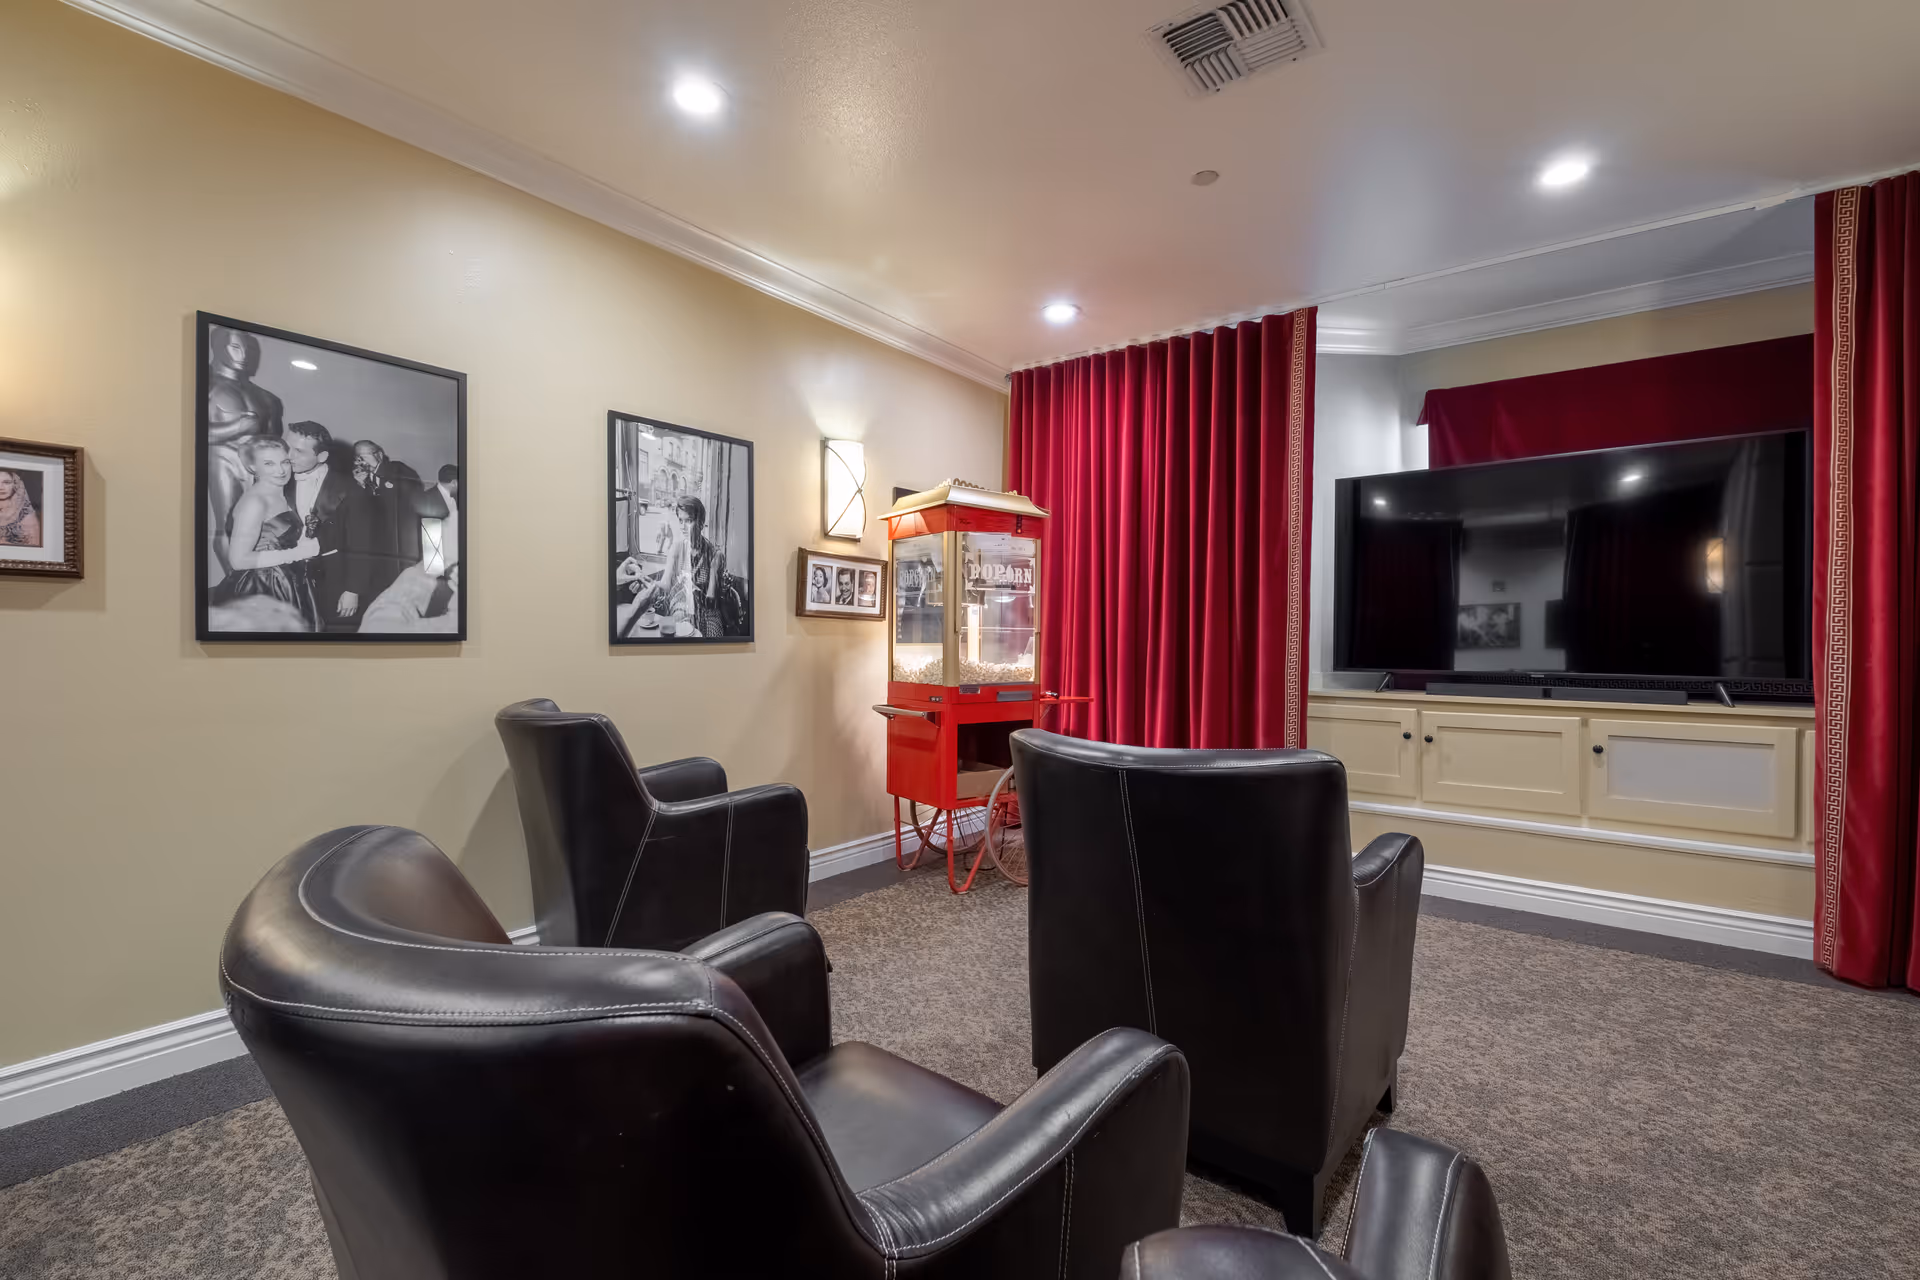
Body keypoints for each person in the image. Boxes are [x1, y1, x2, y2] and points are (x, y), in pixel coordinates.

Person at [208, 436, 319, 630]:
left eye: (284, 462)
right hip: (264, 586)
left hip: (285, 578)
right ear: (252, 467)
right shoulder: (255, 502)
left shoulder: (278, 492)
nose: (281, 470)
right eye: (269, 464)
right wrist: (296, 554)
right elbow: (238, 561)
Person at [205, 327, 284, 579]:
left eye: (246, 349)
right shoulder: (204, 385)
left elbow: (274, 442)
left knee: (262, 525)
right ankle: (234, 582)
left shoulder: (265, 398)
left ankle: (252, 582)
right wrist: (235, 426)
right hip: (224, 458)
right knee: (229, 523)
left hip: (259, 467)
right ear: (218, 347)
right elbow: (191, 433)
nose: (243, 355)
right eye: (235, 347)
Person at [283, 420, 374, 633]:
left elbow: (362, 544)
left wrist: (353, 590)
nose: (289, 456)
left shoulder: (350, 490)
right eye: (287, 447)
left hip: (334, 578)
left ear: (321, 457)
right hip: (289, 579)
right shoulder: (278, 480)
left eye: (298, 451)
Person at [350, 439, 425, 603]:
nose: (359, 462)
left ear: (379, 455)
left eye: (363, 457)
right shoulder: (358, 477)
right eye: (356, 458)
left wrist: (376, 481)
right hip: (374, 546)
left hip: (400, 545)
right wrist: (359, 486)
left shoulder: (399, 469)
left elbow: (405, 498)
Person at [0, 469, 41, 547]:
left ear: (14, 485)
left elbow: (35, 550)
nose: (1, 487)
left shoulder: (27, 517)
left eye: (6, 482)